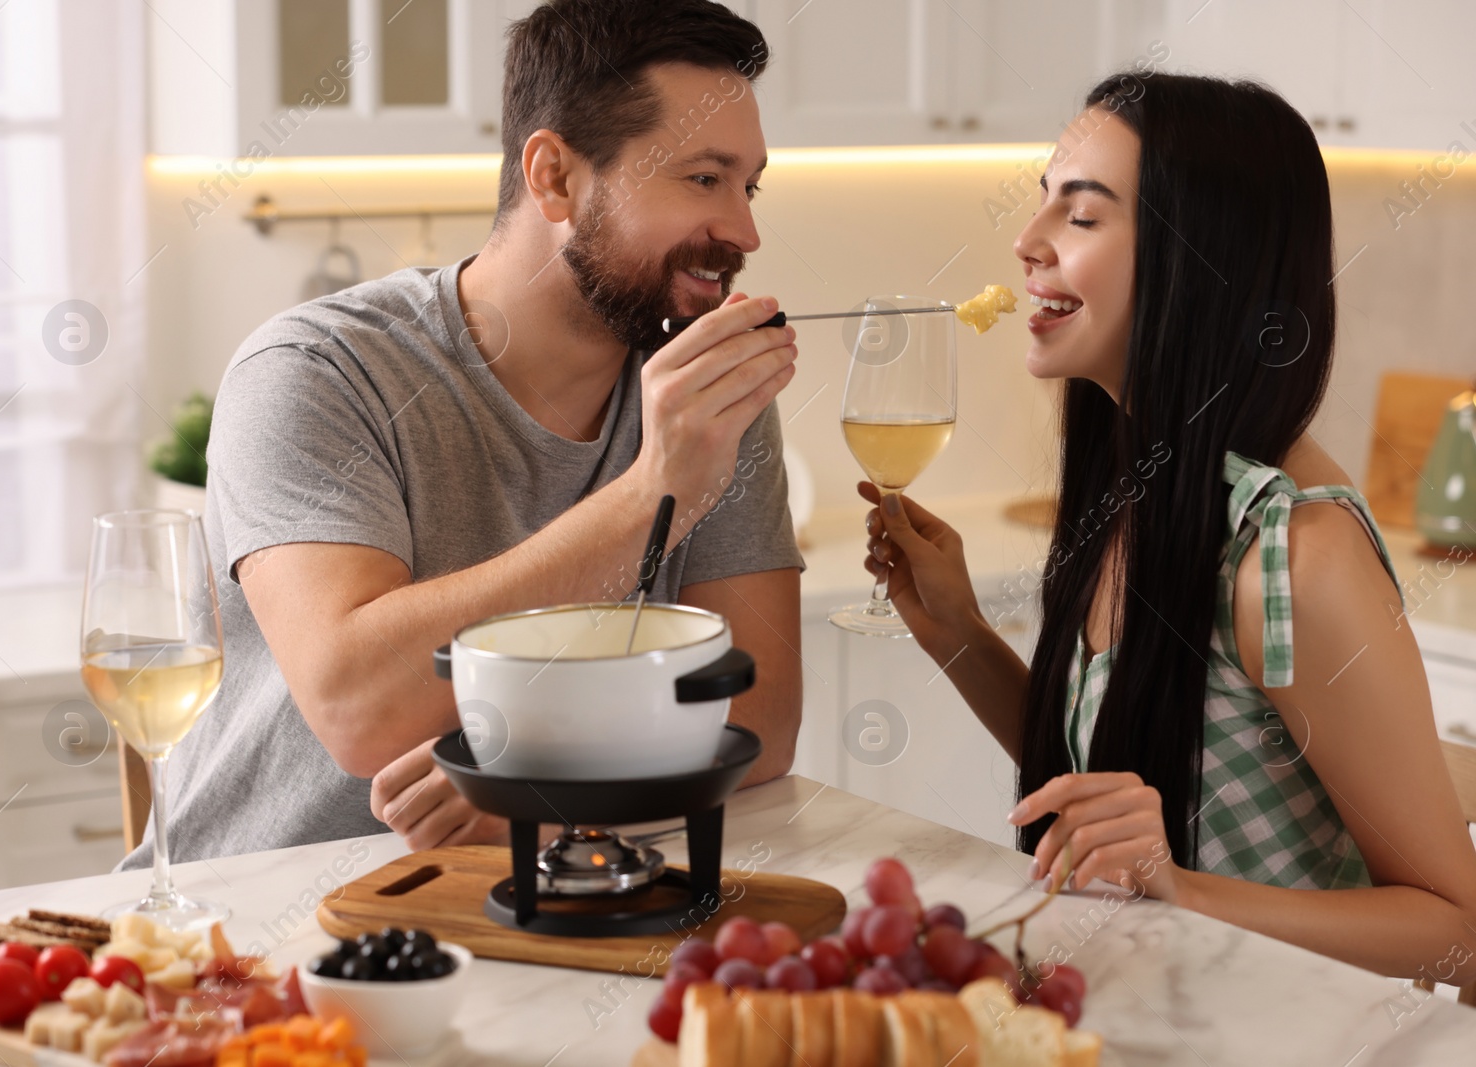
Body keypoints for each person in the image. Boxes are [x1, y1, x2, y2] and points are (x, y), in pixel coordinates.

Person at [120, 0, 804, 869]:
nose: (743, 230)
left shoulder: (707, 388)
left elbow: (762, 719)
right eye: (705, 179)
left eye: (749, 186)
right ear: (554, 176)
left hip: (554, 902)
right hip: (252, 932)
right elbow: (360, 708)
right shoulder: (315, 370)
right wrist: (650, 493)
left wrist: (543, 799)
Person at [863, 72, 1476, 983]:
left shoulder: (1294, 555)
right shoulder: (1139, 484)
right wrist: (959, 634)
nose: (1027, 244)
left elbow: (1456, 930)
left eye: (1081, 215)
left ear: (1200, 261)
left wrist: (1181, 887)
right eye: (1043, 205)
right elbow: (1107, 782)